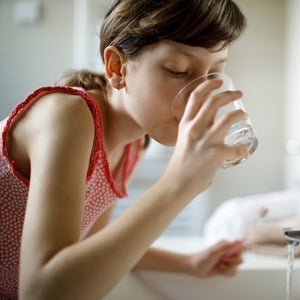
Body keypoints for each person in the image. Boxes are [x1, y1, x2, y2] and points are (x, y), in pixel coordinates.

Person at [0, 0, 248, 298]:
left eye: (213, 75)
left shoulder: (133, 144)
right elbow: (41, 292)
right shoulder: (68, 116)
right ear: (117, 67)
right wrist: (179, 183)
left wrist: (187, 263)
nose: (200, 95)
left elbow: (91, 247)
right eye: (178, 70)